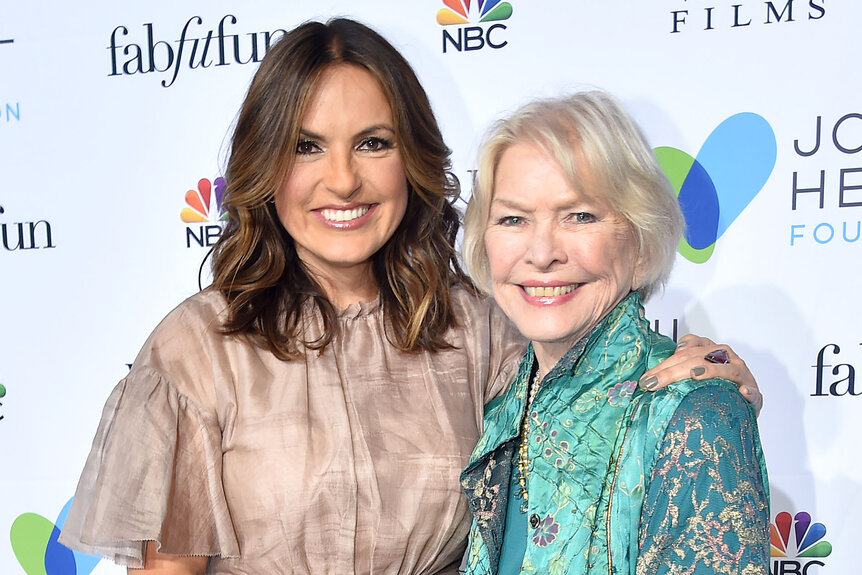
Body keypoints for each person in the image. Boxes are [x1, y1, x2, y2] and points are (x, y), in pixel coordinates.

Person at [59, 19, 762, 575]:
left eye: (372, 142)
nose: (342, 180)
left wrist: (714, 398)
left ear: (412, 158)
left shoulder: (480, 329)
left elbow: (593, 407)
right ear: (265, 165)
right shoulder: (196, 352)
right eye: (306, 146)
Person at [458, 91, 770, 574]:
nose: (541, 253)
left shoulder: (696, 411)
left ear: (641, 243)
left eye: (579, 215)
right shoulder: (503, 410)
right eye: (513, 218)